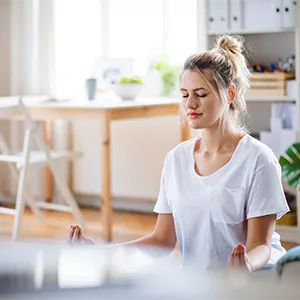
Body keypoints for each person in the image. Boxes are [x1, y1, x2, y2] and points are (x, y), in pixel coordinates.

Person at [66, 35, 290, 274]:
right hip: (200, 283)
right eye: (185, 94)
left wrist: (245, 264)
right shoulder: (176, 159)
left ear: (230, 94)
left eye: (201, 94)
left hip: (254, 279)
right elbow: (162, 240)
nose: (190, 104)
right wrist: (103, 253)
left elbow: (261, 246)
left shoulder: (258, 160)